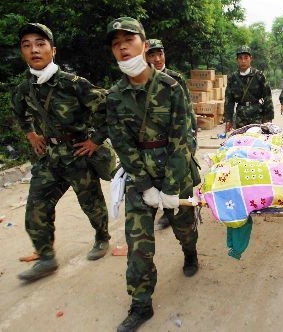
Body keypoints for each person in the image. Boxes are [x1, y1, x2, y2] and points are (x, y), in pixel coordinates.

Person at [106, 17, 199, 331]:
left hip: (176, 171)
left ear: (144, 46)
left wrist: (172, 187)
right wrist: (144, 184)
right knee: (138, 246)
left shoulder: (171, 87)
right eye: (116, 44)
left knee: (184, 228)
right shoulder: (115, 96)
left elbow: (183, 137)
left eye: (128, 41)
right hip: (139, 177)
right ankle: (140, 304)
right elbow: (121, 141)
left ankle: (190, 252)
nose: (122, 47)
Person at [12, 23, 111, 281]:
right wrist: (31, 134)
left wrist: (96, 140)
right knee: (36, 206)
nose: (34, 49)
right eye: (27, 45)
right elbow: (19, 112)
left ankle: (102, 237)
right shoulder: (25, 88)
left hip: (78, 153)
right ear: (22, 52)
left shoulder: (73, 84)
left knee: (91, 203)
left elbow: (107, 109)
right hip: (50, 157)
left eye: (40, 44)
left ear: (52, 50)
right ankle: (46, 258)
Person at [145, 38, 200, 231]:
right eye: (152, 55)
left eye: (160, 54)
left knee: (177, 178)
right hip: (152, 145)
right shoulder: (140, 82)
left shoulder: (175, 78)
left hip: (176, 140)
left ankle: (177, 217)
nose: (158, 58)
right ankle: (165, 214)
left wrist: (192, 135)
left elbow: (188, 108)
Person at [224, 45, 274, 131]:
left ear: (251, 59)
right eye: (240, 58)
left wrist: (268, 118)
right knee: (240, 141)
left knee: (256, 141)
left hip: (257, 115)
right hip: (240, 116)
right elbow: (229, 101)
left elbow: (267, 97)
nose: (243, 61)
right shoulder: (233, 78)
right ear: (237, 60)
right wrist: (228, 120)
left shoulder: (259, 76)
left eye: (246, 58)